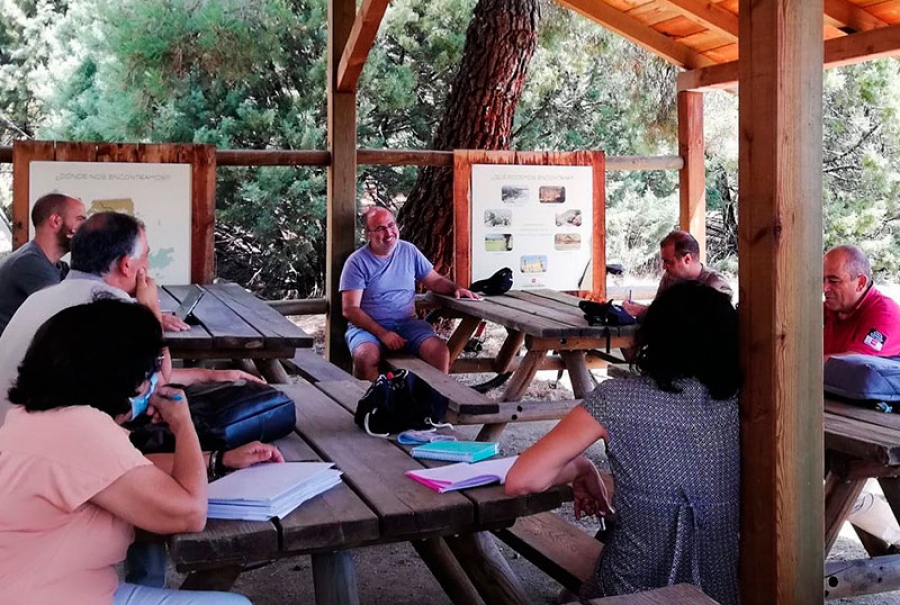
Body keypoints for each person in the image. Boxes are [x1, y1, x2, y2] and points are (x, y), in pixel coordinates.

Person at [0, 299, 258, 605]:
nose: (155, 382)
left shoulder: (35, 415)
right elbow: (190, 513)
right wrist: (182, 422)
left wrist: (219, 459)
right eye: (149, 372)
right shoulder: (82, 428)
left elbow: (129, 472)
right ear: (121, 376)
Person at [506, 282, 741, 604]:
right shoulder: (743, 406)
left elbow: (521, 480)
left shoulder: (617, 399)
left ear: (653, 336)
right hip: (718, 595)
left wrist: (580, 467)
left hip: (626, 591)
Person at [0, 211, 263, 424]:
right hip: (43, 451)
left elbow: (132, 378)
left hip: (15, 437)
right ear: (127, 265)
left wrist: (209, 375)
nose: (148, 266)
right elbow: (157, 381)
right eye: (146, 256)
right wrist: (150, 310)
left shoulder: (42, 297)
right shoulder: (111, 308)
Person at [339, 207, 480, 381]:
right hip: (368, 328)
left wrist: (455, 288)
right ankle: (375, 402)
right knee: (364, 356)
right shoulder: (357, 262)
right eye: (380, 228)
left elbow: (434, 280)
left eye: (391, 225)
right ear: (368, 233)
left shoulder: (409, 251)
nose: (388, 232)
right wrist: (383, 334)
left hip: (407, 324)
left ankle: (432, 403)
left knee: (439, 352)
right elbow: (350, 309)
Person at [0, 193, 86, 334]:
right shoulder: (29, 263)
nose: (85, 228)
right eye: (80, 219)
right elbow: (64, 317)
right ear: (55, 221)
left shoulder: (59, 267)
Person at [622, 230, 732, 318]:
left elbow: (700, 322)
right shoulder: (669, 279)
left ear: (687, 259)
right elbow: (659, 311)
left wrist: (644, 311)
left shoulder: (716, 284)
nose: (663, 267)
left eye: (668, 261)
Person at [824, 245, 900, 358]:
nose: (824, 288)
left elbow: (851, 364)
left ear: (860, 283)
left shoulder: (886, 315)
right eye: (822, 280)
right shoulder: (828, 309)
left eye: (834, 281)